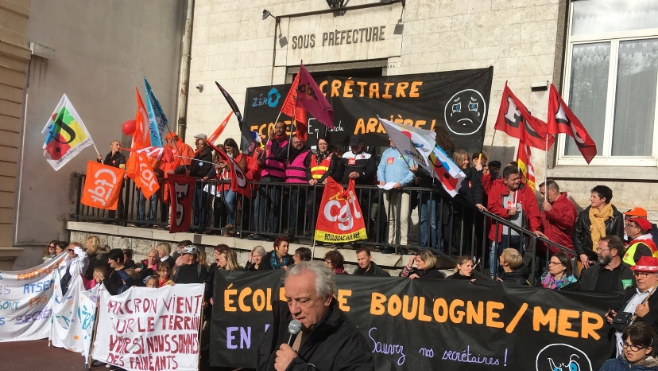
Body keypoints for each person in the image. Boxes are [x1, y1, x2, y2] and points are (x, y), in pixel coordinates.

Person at [256, 261, 374, 371]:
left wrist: (295, 368)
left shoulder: (351, 344)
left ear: (327, 298)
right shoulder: (281, 324)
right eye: (289, 300)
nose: (293, 309)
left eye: (303, 300)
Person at [487, 166, 541, 277]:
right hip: (502, 234)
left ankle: (513, 282)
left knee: (516, 263)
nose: (517, 181)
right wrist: (506, 212)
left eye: (518, 178)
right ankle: (500, 281)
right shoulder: (497, 188)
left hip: (520, 234)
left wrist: (535, 229)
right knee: (503, 262)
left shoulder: (526, 190)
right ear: (505, 180)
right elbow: (491, 207)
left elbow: (533, 212)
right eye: (514, 179)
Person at [607, 256, 658, 356]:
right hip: (620, 350)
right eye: (637, 273)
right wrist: (614, 316)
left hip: (643, 357)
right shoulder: (631, 293)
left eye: (645, 274)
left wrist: (646, 316)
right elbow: (620, 310)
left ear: (657, 276)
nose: (639, 277)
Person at [416, 126, 454, 252]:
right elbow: (424, 167)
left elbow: (439, 170)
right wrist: (418, 171)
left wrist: (422, 170)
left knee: (433, 220)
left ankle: (437, 247)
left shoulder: (445, 151)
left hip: (435, 189)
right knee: (423, 219)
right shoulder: (426, 149)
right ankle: (423, 246)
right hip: (424, 187)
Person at [573, 185, 624, 270]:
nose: (591, 199)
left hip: (607, 259)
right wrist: (581, 253)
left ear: (603, 199)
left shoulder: (617, 216)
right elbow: (576, 235)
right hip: (588, 259)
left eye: (594, 197)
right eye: (591, 196)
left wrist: (610, 254)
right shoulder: (585, 215)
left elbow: (618, 239)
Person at [252, 121, 289, 238]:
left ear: (285, 129)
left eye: (280, 128)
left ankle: (271, 232)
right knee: (260, 204)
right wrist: (261, 161)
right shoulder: (268, 142)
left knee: (274, 205)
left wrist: (272, 140)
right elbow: (266, 159)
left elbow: (279, 155)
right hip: (265, 176)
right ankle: (260, 231)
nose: (278, 129)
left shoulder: (286, 143)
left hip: (277, 177)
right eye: (276, 127)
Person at [377, 138, 415, 245]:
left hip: (403, 190)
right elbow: (381, 167)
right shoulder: (386, 152)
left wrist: (402, 183)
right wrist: (382, 179)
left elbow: (413, 172)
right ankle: (390, 243)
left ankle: (403, 244)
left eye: (392, 137)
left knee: (403, 217)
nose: (389, 139)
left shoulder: (408, 152)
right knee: (391, 218)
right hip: (387, 189)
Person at [175, 137, 213, 231]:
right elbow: (193, 168)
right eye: (198, 144)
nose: (199, 146)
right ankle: (195, 223)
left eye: (201, 144)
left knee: (202, 204)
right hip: (195, 183)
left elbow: (204, 170)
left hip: (202, 184)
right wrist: (189, 172)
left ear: (205, 145)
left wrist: (194, 172)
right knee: (195, 204)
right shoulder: (196, 157)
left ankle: (202, 224)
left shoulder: (207, 156)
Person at [306, 137, 341, 231]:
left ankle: (323, 230)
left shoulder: (332, 156)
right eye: (321, 144)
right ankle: (313, 229)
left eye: (324, 144)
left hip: (325, 186)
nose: (322, 146)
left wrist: (320, 180)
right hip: (314, 186)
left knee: (324, 210)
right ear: (318, 145)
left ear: (328, 145)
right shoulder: (313, 156)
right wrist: (310, 179)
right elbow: (308, 170)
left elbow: (332, 170)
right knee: (310, 205)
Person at [535, 180, 577, 254]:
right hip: (545, 248)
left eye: (543, 193)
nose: (541, 196)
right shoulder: (547, 204)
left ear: (553, 191)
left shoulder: (567, 204)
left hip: (561, 249)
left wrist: (551, 211)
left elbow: (569, 223)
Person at [285, 135, 311, 236]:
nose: (298, 144)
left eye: (300, 141)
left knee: (296, 208)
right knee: (290, 208)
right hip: (288, 185)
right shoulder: (289, 154)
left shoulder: (308, 153)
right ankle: (291, 228)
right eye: (295, 142)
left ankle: (293, 230)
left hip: (300, 186)